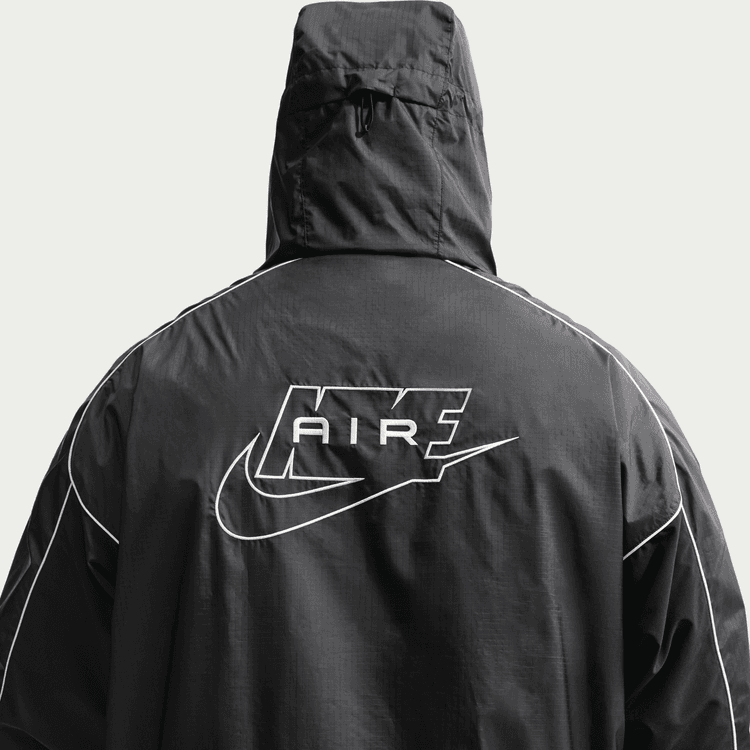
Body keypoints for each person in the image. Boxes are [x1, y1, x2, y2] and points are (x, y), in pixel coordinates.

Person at [1, 2, 748, 747]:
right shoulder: (602, 408)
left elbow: (28, 712)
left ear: (294, 134)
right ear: (462, 131)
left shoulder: (152, 397)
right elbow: (710, 716)